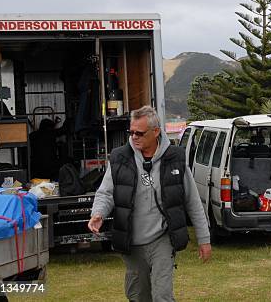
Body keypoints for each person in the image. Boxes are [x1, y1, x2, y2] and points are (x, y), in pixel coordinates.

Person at [88, 106, 211, 302]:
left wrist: (204, 239)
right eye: (131, 132)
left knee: (162, 295)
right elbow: (106, 192)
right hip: (132, 242)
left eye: (140, 133)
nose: (134, 137)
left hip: (162, 239)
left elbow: (193, 201)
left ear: (156, 132)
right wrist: (98, 214)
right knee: (138, 296)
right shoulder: (120, 157)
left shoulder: (175, 158)